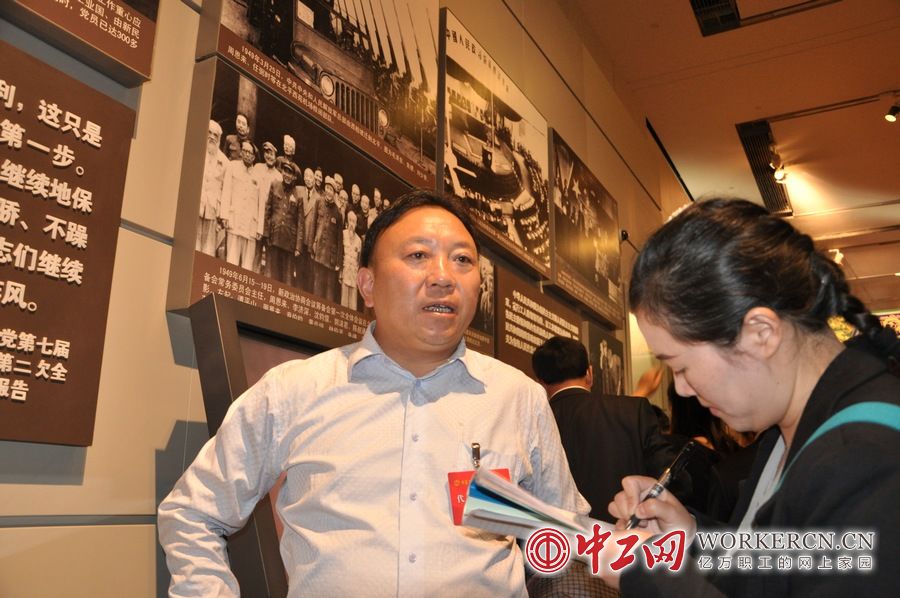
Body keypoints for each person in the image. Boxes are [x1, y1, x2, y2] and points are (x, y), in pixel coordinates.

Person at [158, 190, 588, 596]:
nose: (443, 277)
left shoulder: (517, 398)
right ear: (367, 284)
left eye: (462, 259)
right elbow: (193, 512)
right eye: (418, 256)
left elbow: (565, 535)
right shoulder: (295, 389)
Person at [603, 198, 900, 596]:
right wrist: (691, 536)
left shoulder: (866, 457)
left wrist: (646, 578)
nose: (682, 389)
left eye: (681, 365)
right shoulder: (787, 431)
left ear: (761, 332)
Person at [532, 336, 676, 523]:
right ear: (590, 373)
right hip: (625, 532)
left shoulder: (532, 420)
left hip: (552, 538)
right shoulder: (634, 410)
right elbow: (669, 477)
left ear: (540, 382)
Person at [219, 140, 263, 271]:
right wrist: (224, 215)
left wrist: (260, 228)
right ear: (241, 152)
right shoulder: (232, 167)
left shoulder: (259, 175)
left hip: (250, 224)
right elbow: (226, 192)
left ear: (254, 157)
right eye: (245, 151)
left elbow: (261, 203)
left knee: (247, 265)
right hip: (235, 219)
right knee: (231, 260)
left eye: (250, 152)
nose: (247, 154)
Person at [262, 160, 301, 284]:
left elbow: (300, 222)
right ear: (282, 172)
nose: (287, 175)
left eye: (290, 173)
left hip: (289, 242)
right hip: (274, 237)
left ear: (294, 177)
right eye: (285, 171)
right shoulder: (275, 185)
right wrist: (266, 233)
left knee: (286, 278)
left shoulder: (298, 195)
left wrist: (298, 247)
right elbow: (268, 211)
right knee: (272, 275)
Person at [196, 120, 228, 256]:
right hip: (196, 205)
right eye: (209, 133)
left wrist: (222, 215)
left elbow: (225, 191)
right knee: (193, 244)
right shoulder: (197, 152)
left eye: (215, 135)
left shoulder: (225, 162)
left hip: (213, 210)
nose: (212, 137)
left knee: (208, 250)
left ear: (219, 139)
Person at [311, 176, 343, 303]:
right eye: (328, 188)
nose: (329, 192)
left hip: (331, 258)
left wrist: (338, 262)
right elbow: (313, 226)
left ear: (334, 193)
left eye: (331, 190)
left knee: (329, 290)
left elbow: (340, 239)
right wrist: (312, 246)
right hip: (319, 252)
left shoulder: (338, 213)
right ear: (325, 189)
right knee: (317, 285)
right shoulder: (319, 203)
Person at [339, 209, 362, 311]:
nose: (352, 224)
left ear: (356, 224)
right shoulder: (343, 234)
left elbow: (359, 260)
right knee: (344, 302)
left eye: (354, 221)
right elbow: (340, 254)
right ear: (347, 222)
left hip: (353, 274)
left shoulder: (359, 240)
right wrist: (340, 272)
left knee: (353, 305)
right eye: (350, 220)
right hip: (345, 271)